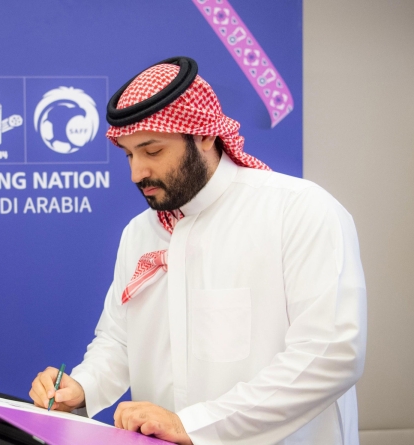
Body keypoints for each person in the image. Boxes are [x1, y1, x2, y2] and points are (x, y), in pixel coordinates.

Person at [29, 57, 367, 445]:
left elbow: (329, 355)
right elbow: (121, 340)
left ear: (204, 136)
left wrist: (196, 425)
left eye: (152, 151)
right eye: (128, 154)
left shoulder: (299, 211)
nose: (136, 173)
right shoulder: (140, 233)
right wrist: (83, 387)